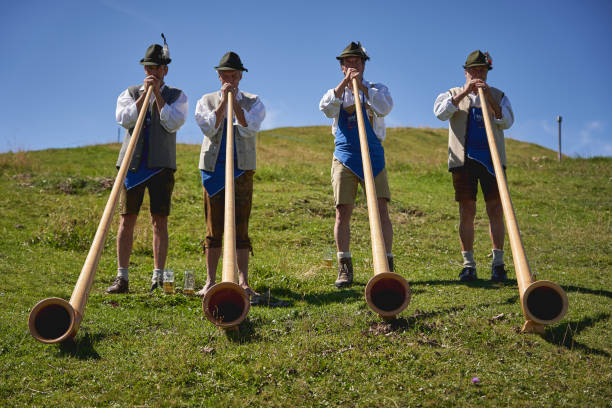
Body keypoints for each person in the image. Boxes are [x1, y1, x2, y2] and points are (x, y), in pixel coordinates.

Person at [107, 35, 188, 294]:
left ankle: (158, 277)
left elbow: (173, 122)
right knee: (126, 219)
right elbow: (124, 119)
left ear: (165, 70)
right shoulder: (129, 94)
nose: (152, 72)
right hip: (132, 165)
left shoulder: (177, 95)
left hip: (161, 166)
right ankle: (122, 277)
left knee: (159, 221)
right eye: (148, 67)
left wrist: (158, 97)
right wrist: (144, 96)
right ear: (144, 69)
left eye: (157, 67)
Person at [433, 50, 514, 283]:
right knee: (466, 211)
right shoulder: (452, 93)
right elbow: (440, 113)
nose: (478, 74)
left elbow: (506, 121)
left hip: (492, 162)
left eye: (482, 70)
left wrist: (488, 99)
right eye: (474, 70)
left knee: (496, 210)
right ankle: (468, 265)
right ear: (466, 72)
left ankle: (498, 264)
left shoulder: (498, 95)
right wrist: (464, 94)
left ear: (487, 73)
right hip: (463, 161)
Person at [319, 42, 394, 288]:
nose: (353, 66)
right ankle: (344, 267)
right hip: (345, 157)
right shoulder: (336, 92)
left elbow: (385, 107)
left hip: (373, 156)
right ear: (342, 67)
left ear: (363, 65)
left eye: (357, 62)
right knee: (343, 211)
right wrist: (344, 85)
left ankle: (387, 264)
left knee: (381, 210)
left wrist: (361, 86)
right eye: (348, 63)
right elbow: (326, 108)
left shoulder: (376, 89)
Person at [194, 52, 265, 299]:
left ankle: (243, 282)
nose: (230, 79)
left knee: (241, 226)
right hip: (213, 169)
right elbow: (208, 126)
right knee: (213, 227)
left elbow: (248, 128)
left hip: (241, 169)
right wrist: (224, 101)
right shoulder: (206, 100)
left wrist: (235, 102)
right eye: (226, 75)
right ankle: (211, 281)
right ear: (218, 75)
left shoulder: (254, 101)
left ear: (241, 76)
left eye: (235, 75)